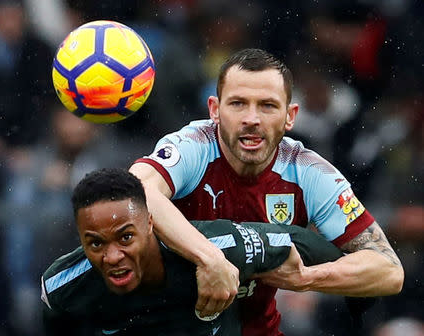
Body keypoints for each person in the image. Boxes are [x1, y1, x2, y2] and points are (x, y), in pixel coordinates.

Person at [129, 48, 404, 335]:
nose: (252, 118)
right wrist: (209, 259)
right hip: (162, 325)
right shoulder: (194, 145)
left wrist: (304, 278)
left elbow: (389, 270)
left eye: (268, 106)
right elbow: (137, 190)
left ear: (290, 116)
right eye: (237, 103)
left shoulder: (308, 171)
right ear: (214, 110)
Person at [42, 167, 348, 335]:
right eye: (95, 243)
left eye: (125, 238)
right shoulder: (62, 288)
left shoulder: (222, 247)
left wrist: (318, 282)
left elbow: (301, 243)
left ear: (151, 223)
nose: (111, 257)